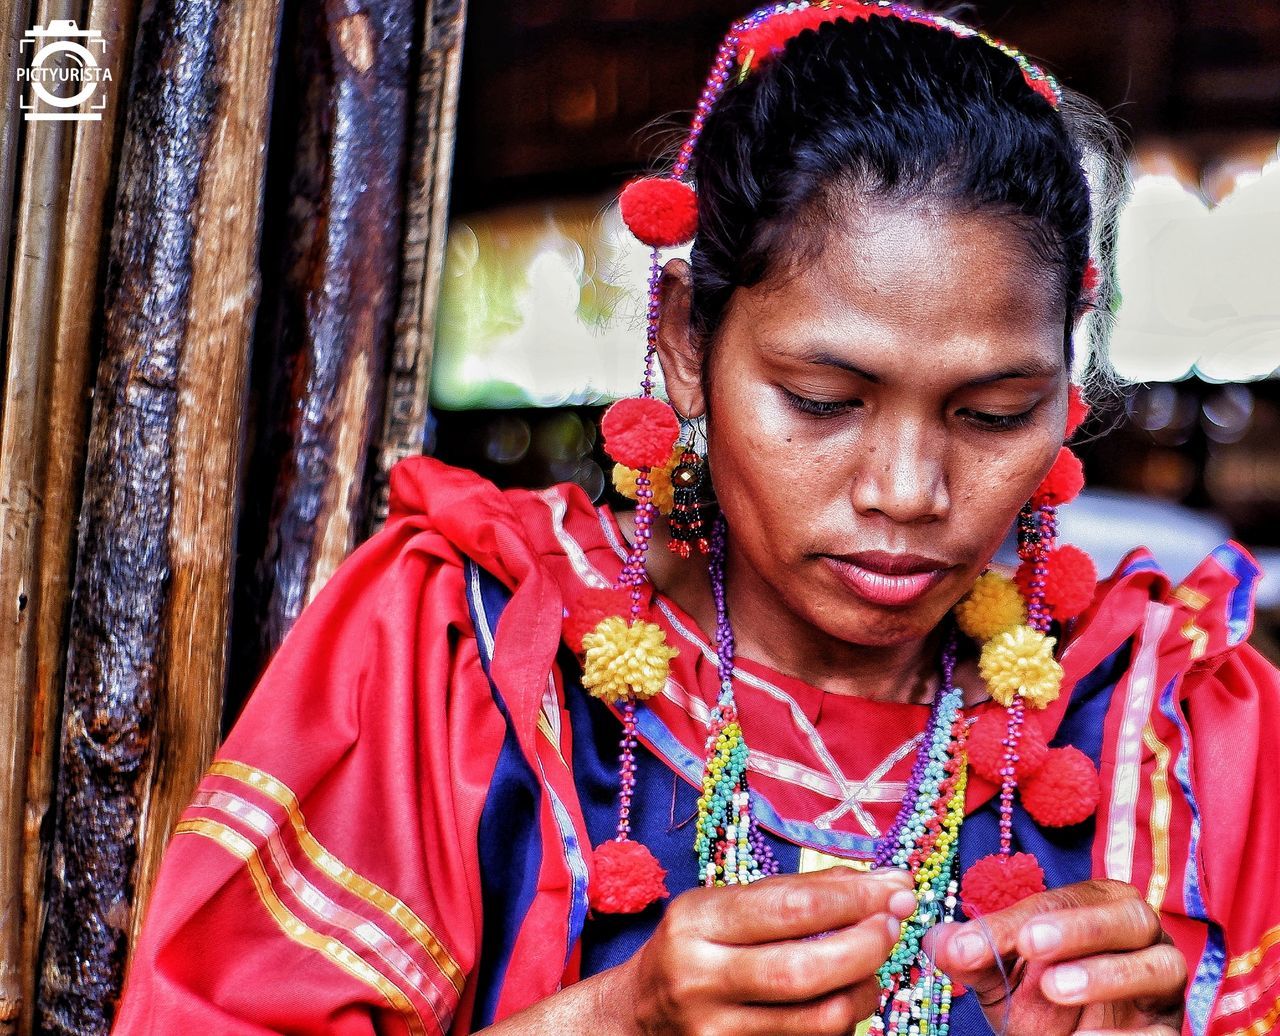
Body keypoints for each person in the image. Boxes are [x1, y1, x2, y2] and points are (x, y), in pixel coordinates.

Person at [112, 4, 1280, 1035]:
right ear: (681, 342)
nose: (907, 490)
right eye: (823, 400)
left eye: (992, 413)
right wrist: (614, 1019)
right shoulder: (455, 651)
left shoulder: (1175, 718)